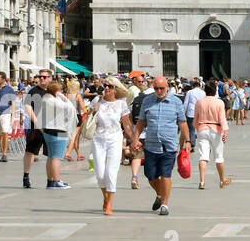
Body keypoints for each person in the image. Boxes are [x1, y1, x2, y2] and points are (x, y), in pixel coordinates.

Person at [134, 76, 190, 216]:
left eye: (162, 88)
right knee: (150, 174)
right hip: (151, 145)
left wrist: (188, 141)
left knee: (165, 175)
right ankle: (160, 193)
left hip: (168, 145)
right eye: (156, 88)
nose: (159, 91)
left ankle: (164, 204)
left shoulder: (176, 102)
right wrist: (135, 139)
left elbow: (182, 123)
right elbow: (141, 122)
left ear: (168, 87)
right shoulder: (147, 101)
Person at [89, 78, 137, 215]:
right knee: (99, 173)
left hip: (115, 139)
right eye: (106, 86)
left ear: (116, 89)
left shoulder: (121, 105)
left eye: (110, 86)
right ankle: (106, 197)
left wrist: (134, 139)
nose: (107, 88)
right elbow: (90, 118)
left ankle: (109, 204)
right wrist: (98, 101)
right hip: (98, 138)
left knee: (111, 171)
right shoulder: (97, 101)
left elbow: (126, 125)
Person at [193, 78, 232, 190]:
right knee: (219, 156)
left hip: (202, 128)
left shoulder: (199, 102)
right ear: (215, 90)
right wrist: (225, 131)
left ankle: (202, 181)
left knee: (203, 156)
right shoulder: (219, 102)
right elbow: (222, 118)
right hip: (216, 128)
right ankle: (221, 180)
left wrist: (197, 128)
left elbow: (196, 118)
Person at [40, 82, 78, 190]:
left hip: (48, 130)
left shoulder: (45, 99)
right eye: (61, 90)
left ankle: (50, 181)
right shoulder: (55, 102)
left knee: (51, 156)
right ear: (57, 91)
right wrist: (62, 96)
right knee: (57, 157)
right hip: (58, 130)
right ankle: (56, 181)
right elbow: (70, 107)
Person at [21, 70, 54, 189]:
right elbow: (28, 107)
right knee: (30, 151)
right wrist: (37, 122)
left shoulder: (54, 90)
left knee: (51, 154)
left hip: (51, 127)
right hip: (35, 127)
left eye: (45, 77)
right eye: (40, 76)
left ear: (50, 78)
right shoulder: (33, 91)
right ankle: (26, 176)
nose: (42, 79)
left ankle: (51, 180)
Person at [0, 71, 15, 162]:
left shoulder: (9, 89)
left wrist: (13, 117)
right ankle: (2, 154)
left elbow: (13, 103)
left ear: (3, 79)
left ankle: (4, 154)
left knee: (5, 133)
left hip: (6, 113)